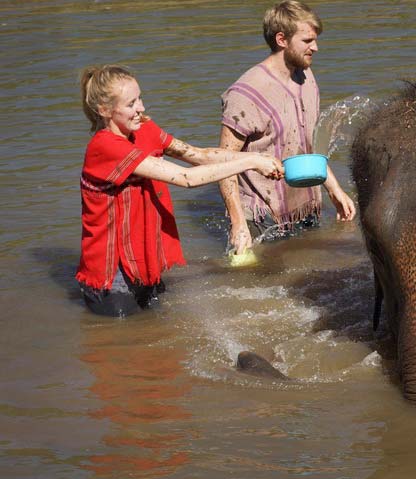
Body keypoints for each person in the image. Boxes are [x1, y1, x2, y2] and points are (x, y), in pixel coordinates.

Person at [76, 64, 285, 317]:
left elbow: (198, 156)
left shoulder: (144, 129)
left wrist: (258, 157)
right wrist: (251, 163)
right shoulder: (105, 147)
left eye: (140, 98)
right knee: (126, 340)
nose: (141, 108)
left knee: (152, 336)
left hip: (144, 263)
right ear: (104, 110)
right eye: (131, 104)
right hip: (112, 278)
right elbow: (187, 178)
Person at [218, 0, 356, 254]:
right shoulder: (245, 93)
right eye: (307, 41)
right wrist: (238, 224)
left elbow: (309, 140)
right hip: (261, 218)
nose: (315, 47)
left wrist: (334, 189)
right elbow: (223, 164)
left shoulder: (306, 76)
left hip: (305, 206)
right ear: (282, 39)